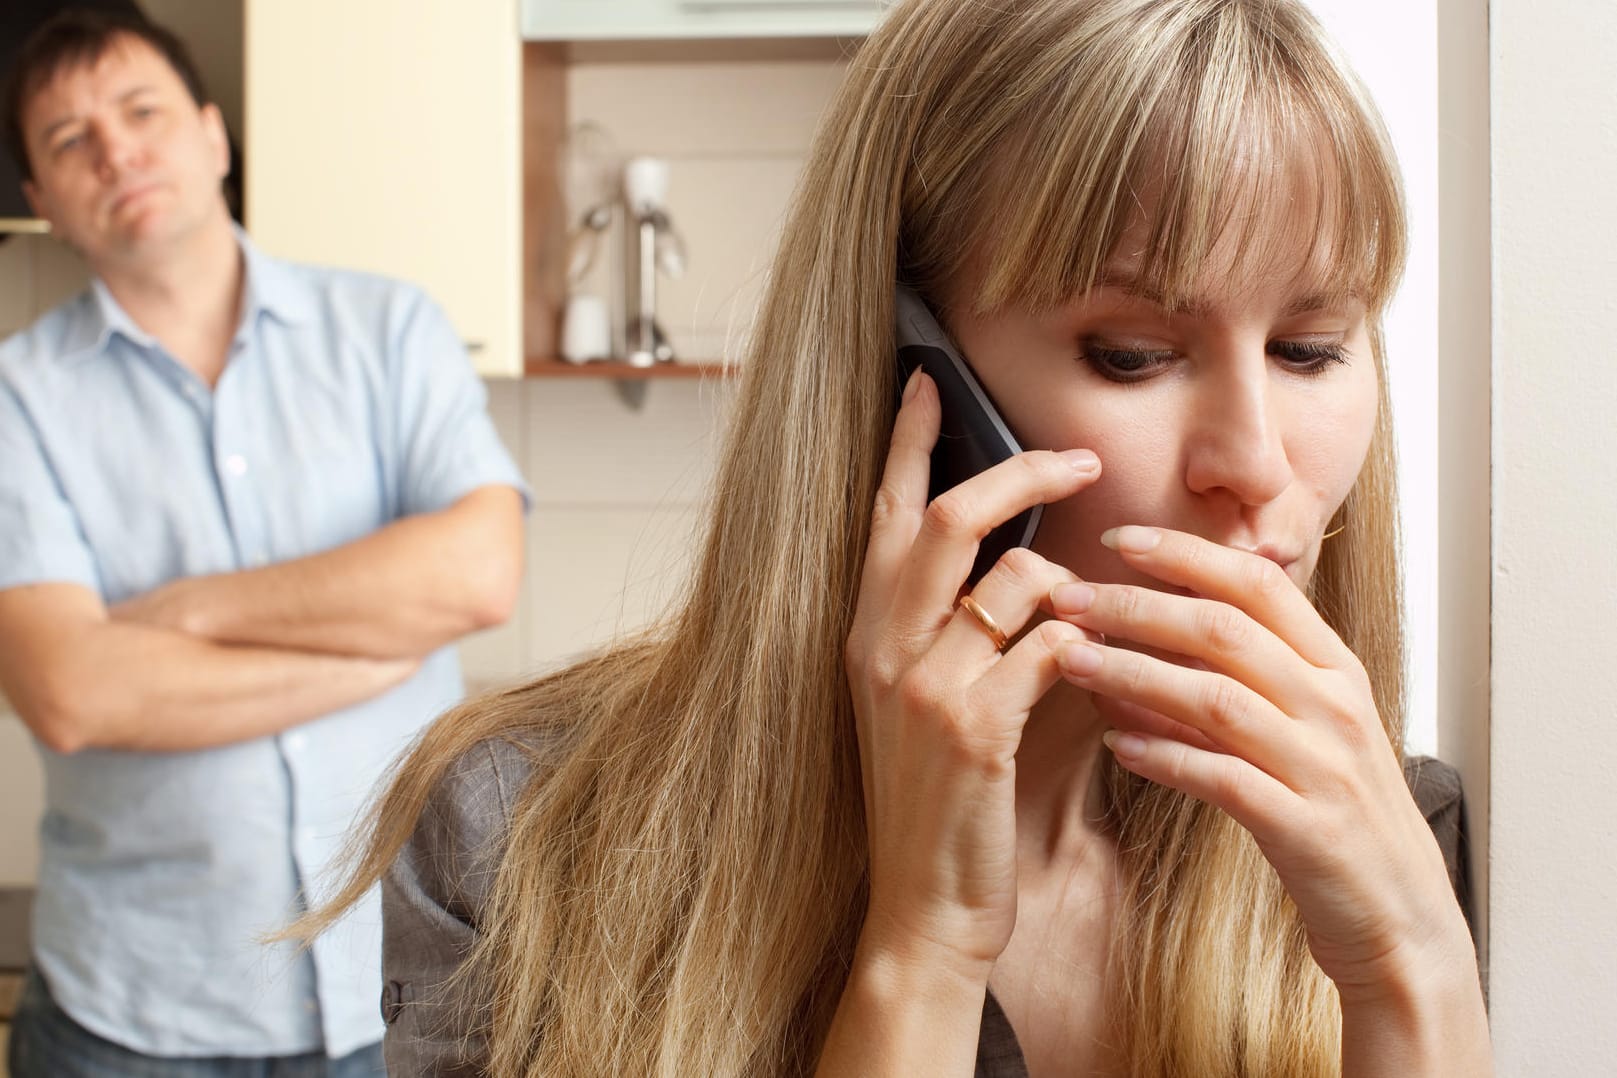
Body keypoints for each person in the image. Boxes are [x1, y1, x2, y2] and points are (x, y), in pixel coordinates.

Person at [299, 0, 1491, 1074]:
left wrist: (1410, 975)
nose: (1261, 463)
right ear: (909, 369)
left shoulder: (1406, 833)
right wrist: (920, 954)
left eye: (1311, 348)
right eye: (1132, 354)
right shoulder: (519, 840)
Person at [0, 9, 528, 1077]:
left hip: (400, 990)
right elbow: (71, 690)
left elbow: (479, 571)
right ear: (43, 202)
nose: (116, 151)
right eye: (69, 141)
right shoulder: (16, 398)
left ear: (212, 137)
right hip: (127, 1015)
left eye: (141, 112)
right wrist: (377, 651)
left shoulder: (390, 331)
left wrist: (190, 609)